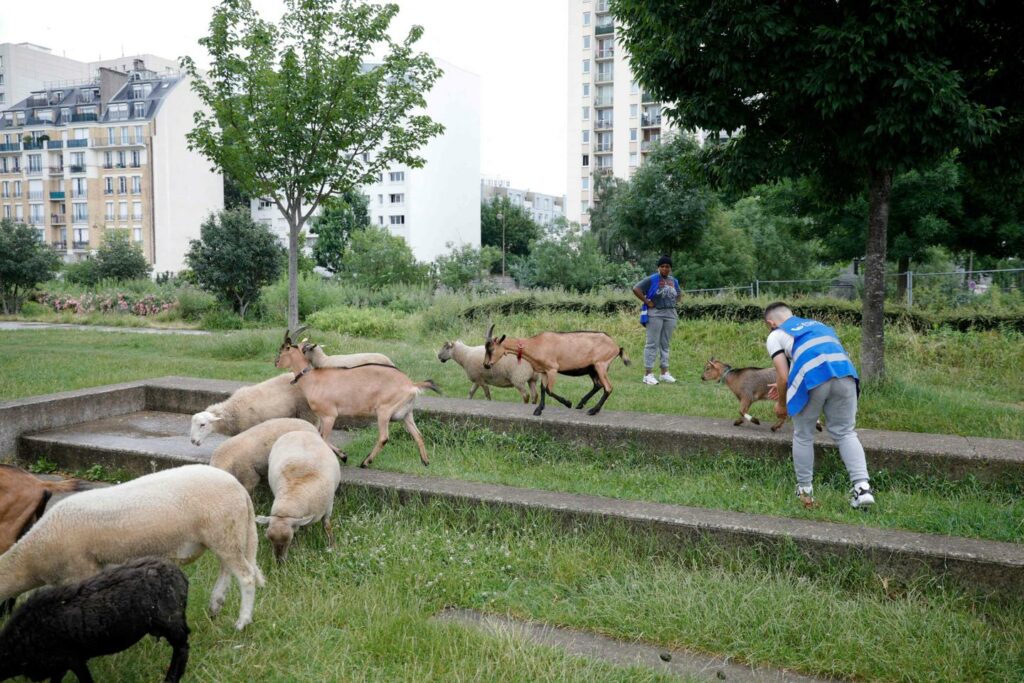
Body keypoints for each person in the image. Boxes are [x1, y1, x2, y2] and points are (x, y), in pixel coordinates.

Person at [763, 301, 875, 509]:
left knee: (803, 434)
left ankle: (805, 491)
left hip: (812, 375)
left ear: (771, 323)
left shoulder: (775, 335)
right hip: (844, 372)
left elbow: (783, 375)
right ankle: (862, 488)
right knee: (845, 432)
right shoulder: (819, 325)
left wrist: (781, 404)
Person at [632, 256, 681, 385]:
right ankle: (648, 374)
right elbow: (636, 288)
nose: (665, 268)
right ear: (658, 268)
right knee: (652, 343)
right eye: (662, 266)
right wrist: (647, 301)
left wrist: (672, 302)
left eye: (667, 267)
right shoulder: (652, 279)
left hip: (670, 314)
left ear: (670, 268)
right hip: (655, 314)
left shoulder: (673, 281)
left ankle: (664, 373)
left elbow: (679, 294)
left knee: (665, 344)